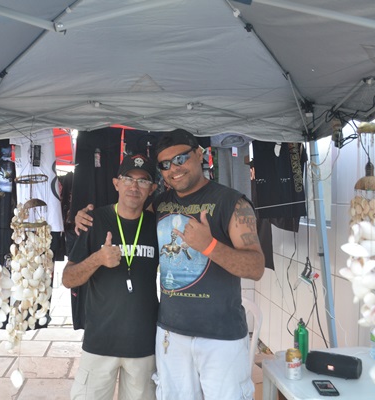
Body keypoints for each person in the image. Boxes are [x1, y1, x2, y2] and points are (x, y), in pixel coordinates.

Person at [75, 130, 265, 400]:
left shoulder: (232, 202)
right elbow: (126, 214)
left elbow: (256, 267)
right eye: (165, 164)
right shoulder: (160, 204)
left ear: (199, 154)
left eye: (181, 158)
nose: (173, 168)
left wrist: (209, 245)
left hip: (220, 336)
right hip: (170, 335)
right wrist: (86, 219)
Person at [62, 154, 160, 400]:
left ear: (152, 189)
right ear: (116, 183)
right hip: (100, 343)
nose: (134, 186)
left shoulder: (158, 225)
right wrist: (97, 259)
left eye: (143, 181)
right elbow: (68, 279)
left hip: (143, 344)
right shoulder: (93, 221)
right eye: (128, 179)